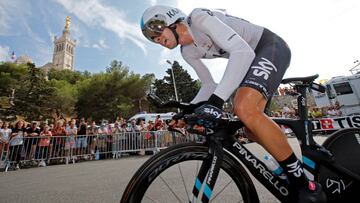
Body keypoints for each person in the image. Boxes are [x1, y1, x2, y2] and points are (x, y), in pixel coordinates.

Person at [140, 5, 326, 202]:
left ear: (171, 19)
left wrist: (216, 103)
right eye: (151, 38)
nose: (156, 39)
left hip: (269, 46)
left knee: (244, 109)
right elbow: (209, 85)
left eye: (156, 29)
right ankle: (286, 165)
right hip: (251, 60)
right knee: (250, 128)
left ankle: (307, 186)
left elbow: (242, 52)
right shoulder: (188, 52)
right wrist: (186, 112)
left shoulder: (199, 18)